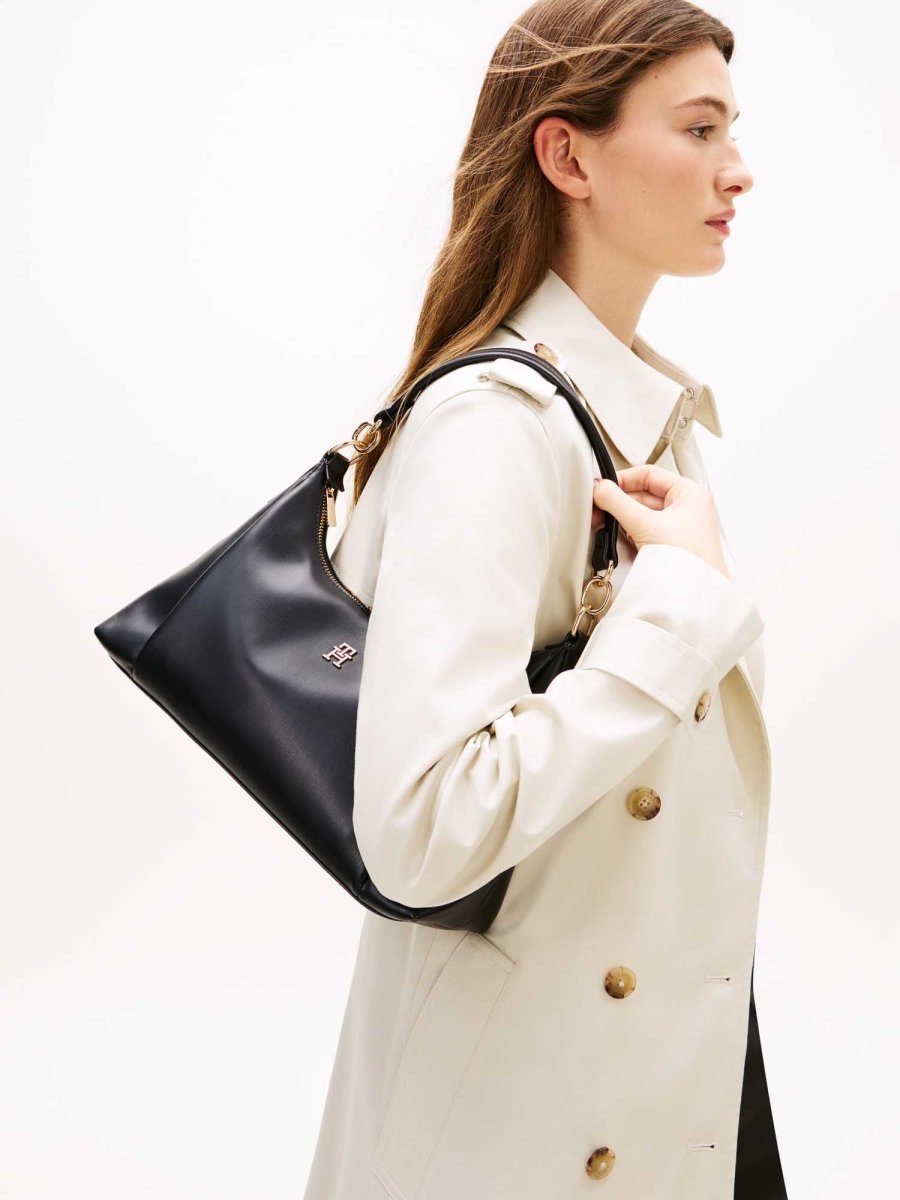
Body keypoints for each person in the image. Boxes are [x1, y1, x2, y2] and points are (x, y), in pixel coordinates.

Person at [304, 1, 787, 1197]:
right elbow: (421, 831)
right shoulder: (496, 426)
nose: (737, 169)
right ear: (568, 155)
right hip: (528, 1127)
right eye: (699, 129)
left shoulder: (632, 416)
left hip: (650, 1077)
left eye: (732, 130)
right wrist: (675, 608)